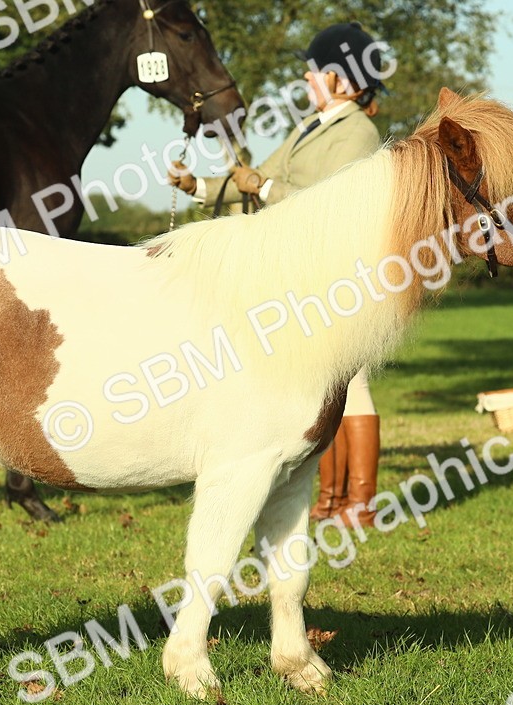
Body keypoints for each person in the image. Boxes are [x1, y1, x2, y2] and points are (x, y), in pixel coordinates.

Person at [169, 22, 386, 525]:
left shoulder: (358, 132)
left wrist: (264, 190)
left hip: (337, 273)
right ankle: (330, 498)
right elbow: (255, 176)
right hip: (302, 271)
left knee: (352, 385)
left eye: (315, 71)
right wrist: (198, 186)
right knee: (323, 386)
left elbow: (332, 205)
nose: (307, 79)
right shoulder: (311, 126)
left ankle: (360, 502)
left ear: (342, 80)